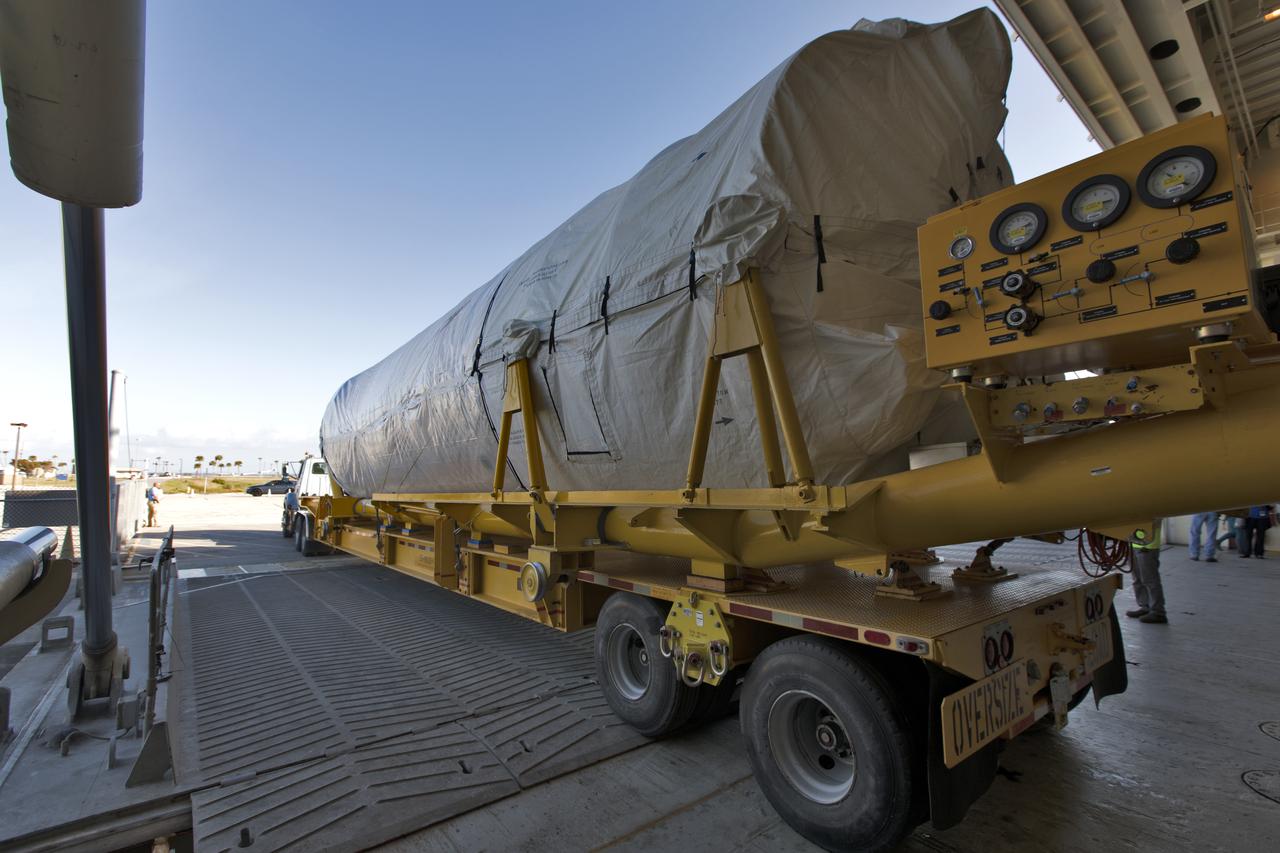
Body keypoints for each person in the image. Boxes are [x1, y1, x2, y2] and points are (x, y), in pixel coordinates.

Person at [1128, 522, 1167, 624]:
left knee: (1150, 580)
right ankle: (1145, 606)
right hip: (1133, 542)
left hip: (1148, 545)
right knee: (1137, 579)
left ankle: (1158, 612)